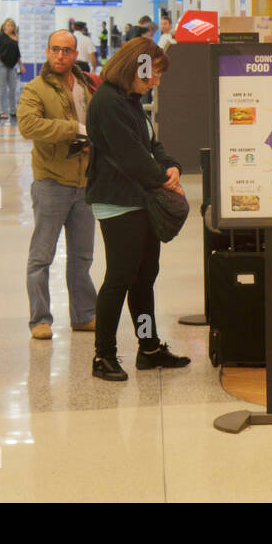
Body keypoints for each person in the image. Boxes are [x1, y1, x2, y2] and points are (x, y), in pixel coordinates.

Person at [85, 37, 188, 381]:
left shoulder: (130, 100)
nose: (156, 81)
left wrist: (171, 166)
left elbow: (150, 143)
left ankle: (149, 347)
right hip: (117, 202)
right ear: (135, 66)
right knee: (120, 278)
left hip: (139, 198)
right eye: (152, 74)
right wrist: (164, 181)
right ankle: (104, 355)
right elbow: (130, 155)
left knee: (144, 278)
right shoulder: (108, 102)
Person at [17, 30, 98, 340]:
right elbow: (28, 125)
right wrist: (73, 129)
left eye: (66, 50)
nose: (61, 56)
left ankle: (84, 315)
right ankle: (40, 319)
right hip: (51, 182)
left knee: (82, 257)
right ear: (48, 53)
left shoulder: (87, 86)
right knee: (41, 257)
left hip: (85, 183)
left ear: (75, 54)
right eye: (55, 50)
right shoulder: (34, 89)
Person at [0, 18, 24, 119]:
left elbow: (17, 53)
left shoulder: (15, 37)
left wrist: (21, 65)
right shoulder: (0, 35)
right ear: (4, 26)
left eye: (12, 26)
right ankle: (1, 110)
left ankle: (13, 110)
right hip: (1, 63)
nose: (10, 27)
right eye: (8, 25)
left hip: (12, 64)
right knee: (2, 87)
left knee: (13, 88)